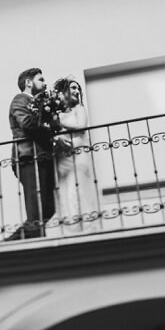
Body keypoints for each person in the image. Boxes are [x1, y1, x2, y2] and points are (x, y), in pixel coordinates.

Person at [6, 67, 58, 239]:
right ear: (28, 82)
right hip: (29, 156)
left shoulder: (38, 103)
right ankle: (14, 244)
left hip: (42, 156)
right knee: (36, 211)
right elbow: (27, 123)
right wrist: (49, 127)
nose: (45, 83)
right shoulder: (20, 99)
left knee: (48, 209)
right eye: (41, 80)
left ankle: (18, 241)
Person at [52, 76, 100, 234]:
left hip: (78, 156)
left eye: (78, 88)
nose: (77, 91)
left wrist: (59, 121)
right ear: (63, 91)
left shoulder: (79, 108)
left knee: (78, 191)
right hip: (63, 158)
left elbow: (81, 126)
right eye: (72, 88)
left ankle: (87, 227)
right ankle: (71, 229)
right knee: (65, 193)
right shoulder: (55, 112)